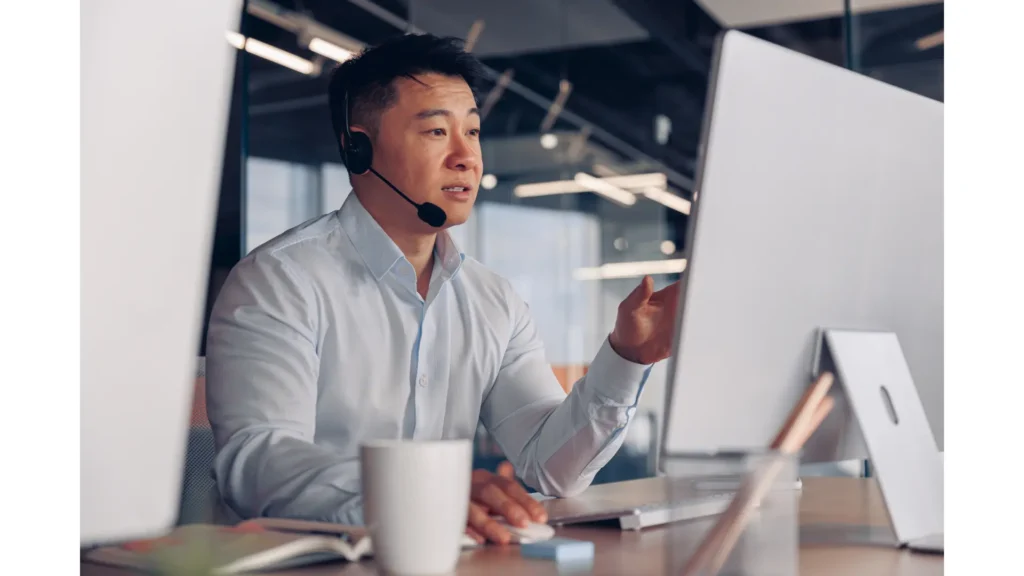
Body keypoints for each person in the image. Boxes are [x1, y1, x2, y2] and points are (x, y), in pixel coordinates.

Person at [205, 33, 680, 545]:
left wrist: (627, 358)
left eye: (473, 132)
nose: (466, 157)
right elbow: (258, 460)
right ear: (357, 147)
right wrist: (412, 495)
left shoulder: (492, 300)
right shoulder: (280, 280)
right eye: (436, 131)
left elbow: (551, 468)